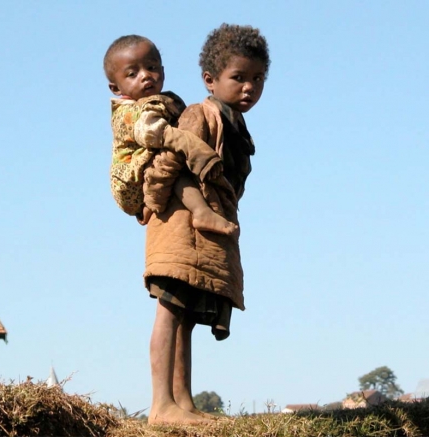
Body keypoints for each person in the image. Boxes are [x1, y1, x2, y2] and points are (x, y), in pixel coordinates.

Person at [143, 24, 270, 424]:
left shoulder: (237, 127)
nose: (249, 87)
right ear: (210, 80)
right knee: (169, 310)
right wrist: (150, 200)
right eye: (239, 78)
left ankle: (183, 403)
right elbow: (168, 161)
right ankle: (161, 404)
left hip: (202, 237)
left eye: (258, 79)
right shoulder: (200, 114)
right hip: (180, 227)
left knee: (184, 318)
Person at [105, 35, 238, 236]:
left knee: (170, 160)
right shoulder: (130, 113)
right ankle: (201, 211)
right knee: (173, 165)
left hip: (141, 177)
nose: (145, 75)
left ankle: (151, 205)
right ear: (116, 88)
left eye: (151, 67)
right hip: (129, 180)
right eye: (132, 74)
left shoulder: (164, 100)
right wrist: (194, 147)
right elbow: (156, 133)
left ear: (162, 71)